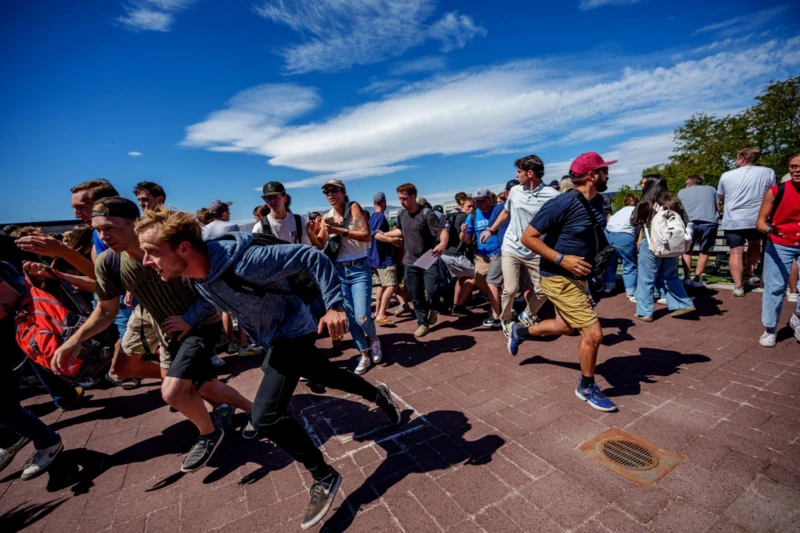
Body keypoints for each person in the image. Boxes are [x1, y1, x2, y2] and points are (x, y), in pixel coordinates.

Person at [133, 207, 401, 530]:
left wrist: (333, 306)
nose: (146, 261)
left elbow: (310, 256)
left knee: (265, 415)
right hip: (274, 338)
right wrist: (189, 320)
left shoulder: (245, 263)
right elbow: (209, 299)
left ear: (184, 249)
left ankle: (323, 475)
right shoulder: (197, 277)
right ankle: (378, 393)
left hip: (294, 330)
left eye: (151, 252)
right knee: (327, 375)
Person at [52, 197, 254, 473]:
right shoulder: (109, 263)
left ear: (133, 223)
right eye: (97, 230)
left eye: (110, 227)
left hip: (200, 325)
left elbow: (212, 284)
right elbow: (106, 310)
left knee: (173, 392)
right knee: (204, 386)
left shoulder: (170, 245)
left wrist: (188, 318)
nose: (103, 236)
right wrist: (74, 340)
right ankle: (257, 413)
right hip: (167, 332)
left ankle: (209, 435)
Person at [507, 152, 618, 412]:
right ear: (591, 176)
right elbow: (529, 237)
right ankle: (587, 385)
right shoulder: (562, 203)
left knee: (563, 325)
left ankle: (519, 331)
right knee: (593, 334)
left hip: (579, 276)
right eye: (603, 171)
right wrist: (562, 259)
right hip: (557, 276)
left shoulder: (599, 201)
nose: (607, 174)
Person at [0, 262, 64, 480]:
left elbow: (8, 302)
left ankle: (48, 442)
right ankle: (9, 439)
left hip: (6, 345)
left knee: (4, 406)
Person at [484, 157, 558, 335]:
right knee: (510, 288)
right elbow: (506, 212)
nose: (517, 176)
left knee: (543, 290)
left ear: (530, 173)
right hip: (511, 247)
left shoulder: (552, 196)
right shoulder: (516, 191)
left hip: (535, 250)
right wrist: (491, 230)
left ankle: (527, 314)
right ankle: (505, 319)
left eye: (519, 172)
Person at [319, 180, 382, 375]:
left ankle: (373, 340)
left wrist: (340, 231)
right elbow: (319, 243)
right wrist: (309, 233)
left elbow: (366, 235)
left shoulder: (352, 207)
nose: (330, 194)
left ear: (343, 192)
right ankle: (363, 354)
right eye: (326, 191)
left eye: (334, 190)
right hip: (339, 270)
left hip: (359, 267)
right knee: (351, 319)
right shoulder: (326, 217)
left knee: (362, 316)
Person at [381, 183, 448, 338]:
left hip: (428, 259)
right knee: (416, 295)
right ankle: (422, 323)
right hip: (410, 262)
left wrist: (443, 243)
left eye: (404, 198)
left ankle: (434, 308)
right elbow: (401, 231)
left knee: (432, 290)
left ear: (413, 197)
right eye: (399, 199)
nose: (402, 202)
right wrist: (385, 234)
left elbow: (441, 231)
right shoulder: (401, 214)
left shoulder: (427, 214)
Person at [632, 175, 696, 322]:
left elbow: (634, 220)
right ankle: (682, 304)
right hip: (671, 244)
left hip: (651, 243)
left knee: (646, 278)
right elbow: (685, 221)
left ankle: (645, 312)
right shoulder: (674, 202)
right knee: (670, 275)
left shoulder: (645, 202)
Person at [718, 147, 776, 296]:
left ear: (742, 159)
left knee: (735, 252)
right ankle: (750, 274)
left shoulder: (726, 175)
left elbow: (721, 197)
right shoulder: (768, 172)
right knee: (755, 244)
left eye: (736, 159)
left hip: (733, 219)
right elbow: (772, 193)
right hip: (756, 218)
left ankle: (738, 287)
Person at [756, 152, 800, 347]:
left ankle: (797, 317)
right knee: (775, 287)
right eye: (793, 167)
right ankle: (770, 328)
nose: (797, 170)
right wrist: (768, 230)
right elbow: (760, 220)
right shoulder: (776, 191)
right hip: (780, 243)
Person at [464, 187, 505, 328]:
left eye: (483, 200)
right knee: (481, 281)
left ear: (489, 199)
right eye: (477, 201)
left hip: (500, 253)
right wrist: (463, 233)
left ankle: (501, 310)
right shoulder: (473, 216)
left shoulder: (498, 210)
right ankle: (497, 302)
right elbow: (466, 239)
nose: (480, 204)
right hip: (483, 256)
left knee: (504, 284)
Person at [369, 192, 405, 327]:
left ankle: (378, 311)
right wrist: (392, 240)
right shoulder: (380, 217)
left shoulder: (372, 217)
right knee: (392, 285)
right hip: (383, 257)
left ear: (374, 203)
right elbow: (375, 234)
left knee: (382, 286)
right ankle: (381, 314)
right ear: (384, 203)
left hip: (374, 258)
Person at [254, 182, 322, 249]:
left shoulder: (299, 221)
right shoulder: (259, 228)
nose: (273, 201)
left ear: (285, 198)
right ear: (265, 201)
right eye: (269, 198)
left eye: (276, 197)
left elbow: (307, 249)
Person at [678, 175, 719, 288]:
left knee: (686, 251)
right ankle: (697, 279)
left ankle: (686, 278)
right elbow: (718, 208)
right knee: (705, 251)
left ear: (689, 184)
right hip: (709, 223)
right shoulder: (711, 189)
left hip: (689, 223)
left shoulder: (682, 192)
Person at [441, 196, 475, 315]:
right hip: (455, 254)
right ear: (462, 206)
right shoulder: (465, 217)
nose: (471, 209)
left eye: (473, 206)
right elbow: (466, 240)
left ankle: (455, 305)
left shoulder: (452, 215)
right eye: (468, 206)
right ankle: (459, 304)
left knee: (462, 278)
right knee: (476, 277)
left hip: (445, 253)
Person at [603, 194, 639, 302]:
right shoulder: (636, 211)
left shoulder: (619, 212)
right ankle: (630, 292)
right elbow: (638, 227)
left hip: (609, 235)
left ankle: (608, 287)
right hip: (625, 237)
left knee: (610, 263)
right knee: (629, 265)